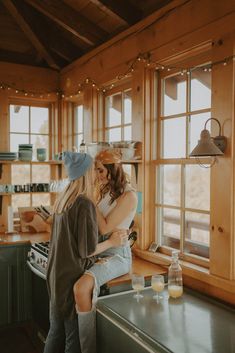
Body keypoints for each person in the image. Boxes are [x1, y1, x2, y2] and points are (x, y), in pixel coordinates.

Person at [43, 151, 128, 353]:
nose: (96, 174)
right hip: (72, 276)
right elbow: (87, 250)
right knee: (72, 340)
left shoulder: (62, 200)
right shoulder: (85, 204)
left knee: (55, 332)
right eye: (93, 170)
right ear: (84, 174)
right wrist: (112, 242)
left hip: (56, 275)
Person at [73, 149, 138, 353]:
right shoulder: (107, 191)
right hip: (99, 250)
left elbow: (105, 227)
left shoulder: (129, 196)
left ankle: (87, 350)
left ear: (113, 169)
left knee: (81, 288)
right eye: (96, 171)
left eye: (100, 171)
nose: (98, 175)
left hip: (117, 255)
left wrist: (90, 200)